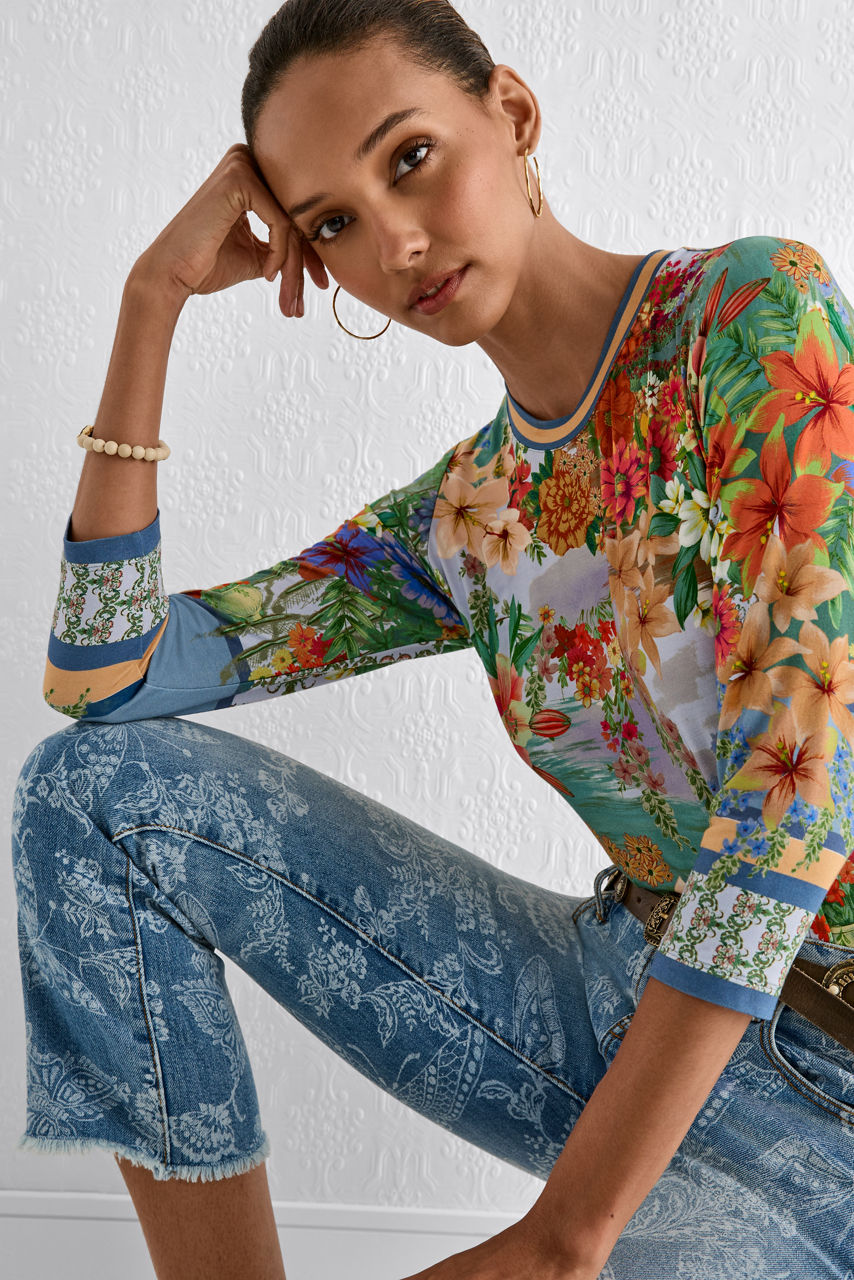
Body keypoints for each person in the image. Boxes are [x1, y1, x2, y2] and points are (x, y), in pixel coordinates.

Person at [12, 0, 854, 1276]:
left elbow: (796, 791)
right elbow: (103, 675)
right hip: (607, 1012)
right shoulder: (464, 517)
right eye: (331, 224)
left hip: (823, 1108)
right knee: (90, 790)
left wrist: (561, 1236)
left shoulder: (747, 316)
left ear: (509, 113)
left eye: (409, 157)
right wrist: (153, 300)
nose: (394, 242)